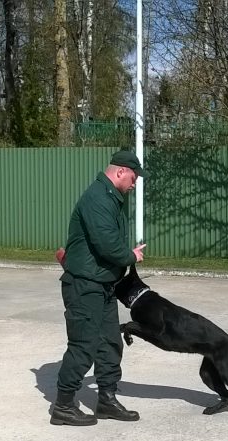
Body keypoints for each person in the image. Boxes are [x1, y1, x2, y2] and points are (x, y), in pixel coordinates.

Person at [52, 149, 147, 426]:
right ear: (120, 172)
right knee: (83, 345)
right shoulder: (97, 198)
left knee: (109, 344)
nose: (135, 182)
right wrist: (130, 256)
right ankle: (63, 406)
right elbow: (107, 244)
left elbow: (107, 242)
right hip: (84, 285)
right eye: (134, 176)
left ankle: (106, 399)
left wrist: (124, 256)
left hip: (102, 284)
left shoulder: (110, 197)